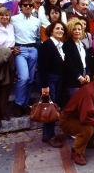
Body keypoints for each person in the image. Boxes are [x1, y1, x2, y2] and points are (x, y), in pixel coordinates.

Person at [38, 20, 67, 148]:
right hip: (50, 80)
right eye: (57, 29)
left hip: (58, 79)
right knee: (51, 108)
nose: (60, 31)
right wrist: (45, 86)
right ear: (51, 30)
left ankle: (46, 133)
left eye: (62, 29)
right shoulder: (47, 45)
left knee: (52, 106)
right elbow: (43, 67)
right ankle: (50, 135)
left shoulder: (59, 45)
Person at [11, 0, 41, 117]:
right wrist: (12, 47)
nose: (28, 7)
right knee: (23, 77)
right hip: (20, 50)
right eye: (25, 5)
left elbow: (38, 36)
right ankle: (18, 104)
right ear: (21, 6)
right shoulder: (13, 19)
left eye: (30, 5)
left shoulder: (36, 21)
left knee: (30, 79)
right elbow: (9, 34)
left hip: (33, 49)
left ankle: (25, 104)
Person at [62, 18, 91, 98]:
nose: (77, 31)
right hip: (72, 81)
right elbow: (69, 64)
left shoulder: (83, 45)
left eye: (79, 29)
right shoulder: (67, 45)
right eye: (74, 29)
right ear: (70, 31)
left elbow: (86, 62)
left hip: (84, 78)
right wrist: (78, 76)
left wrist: (88, 74)